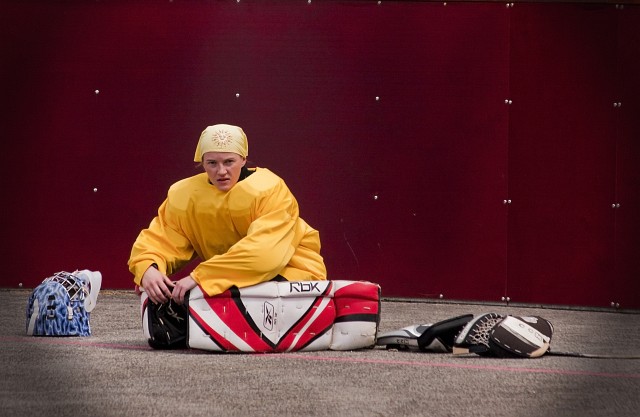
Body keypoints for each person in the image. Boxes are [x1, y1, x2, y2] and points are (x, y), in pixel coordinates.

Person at [128, 124, 327, 306]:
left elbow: (264, 254)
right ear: (202, 163)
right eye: (212, 163)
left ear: (243, 159)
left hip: (293, 275)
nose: (221, 171)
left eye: (229, 162)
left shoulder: (269, 190)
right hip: (225, 283)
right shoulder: (186, 195)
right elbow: (163, 238)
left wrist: (201, 277)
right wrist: (148, 268)